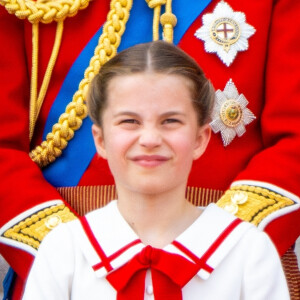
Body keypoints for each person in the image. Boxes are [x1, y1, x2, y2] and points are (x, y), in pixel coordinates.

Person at [0, 0, 299, 299]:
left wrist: (222, 249)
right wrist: (73, 258)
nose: (150, 139)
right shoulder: (63, 255)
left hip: (230, 274)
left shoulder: (247, 254)